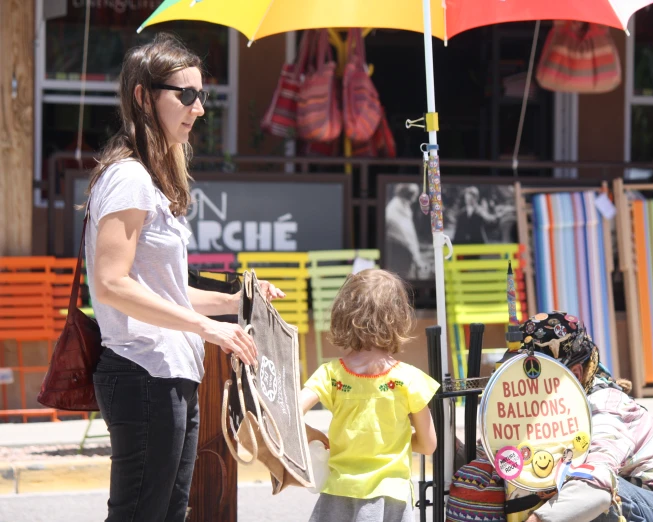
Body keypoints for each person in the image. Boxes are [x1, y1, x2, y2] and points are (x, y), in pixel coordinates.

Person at [85, 34, 285, 522]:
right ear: (142, 97)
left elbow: (165, 292)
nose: (198, 108)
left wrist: (239, 301)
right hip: (143, 372)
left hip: (169, 372)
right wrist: (206, 328)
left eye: (202, 96)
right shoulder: (129, 177)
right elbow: (111, 284)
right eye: (185, 95)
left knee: (170, 512)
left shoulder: (153, 179)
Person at [500, 312, 653, 522]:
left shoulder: (607, 406)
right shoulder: (542, 412)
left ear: (575, 375)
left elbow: (596, 485)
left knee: (597, 490)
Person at [299, 269, 440, 522]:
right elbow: (429, 445)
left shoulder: (331, 374)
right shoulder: (409, 379)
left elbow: (289, 414)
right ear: (398, 317)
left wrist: (314, 434)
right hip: (390, 497)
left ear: (343, 314)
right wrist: (394, 438)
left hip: (338, 492)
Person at [386, 183, 427, 279]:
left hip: (402, 251)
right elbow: (409, 237)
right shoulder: (396, 209)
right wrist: (418, 260)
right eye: (415, 194)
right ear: (409, 194)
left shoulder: (403, 206)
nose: (416, 197)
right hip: (399, 252)